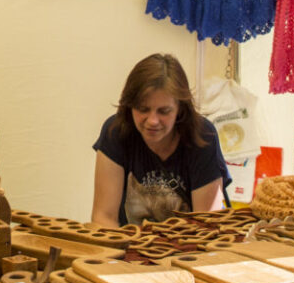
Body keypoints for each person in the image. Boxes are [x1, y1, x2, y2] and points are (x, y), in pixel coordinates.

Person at [91, 53, 230, 227]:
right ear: (130, 105)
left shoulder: (203, 136)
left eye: (164, 111)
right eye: (143, 109)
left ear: (180, 108)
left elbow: (206, 226)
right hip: (127, 240)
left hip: (190, 242)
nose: (152, 121)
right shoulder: (116, 131)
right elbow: (103, 217)